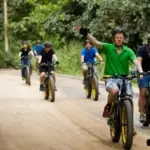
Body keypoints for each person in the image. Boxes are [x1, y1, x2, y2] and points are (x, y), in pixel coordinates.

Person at [77, 27, 143, 119]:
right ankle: (108, 106)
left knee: (129, 97)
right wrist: (86, 34)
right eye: (117, 37)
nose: (119, 39)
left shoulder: (128, 50)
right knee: (115, 91)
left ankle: (129, 124)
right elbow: (96, 42)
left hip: (124, 79)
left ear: (124, 39)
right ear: (113, 39)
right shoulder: (109, 47)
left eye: (121, 37)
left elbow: (136, 61)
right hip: (111, 78)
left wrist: (140, 72)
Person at [137, 34, 150, 123]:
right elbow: (139, 61)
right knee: (143, 91)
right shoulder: (141, 49)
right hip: (144, 73)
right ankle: (142, 113)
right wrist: (141, 72)